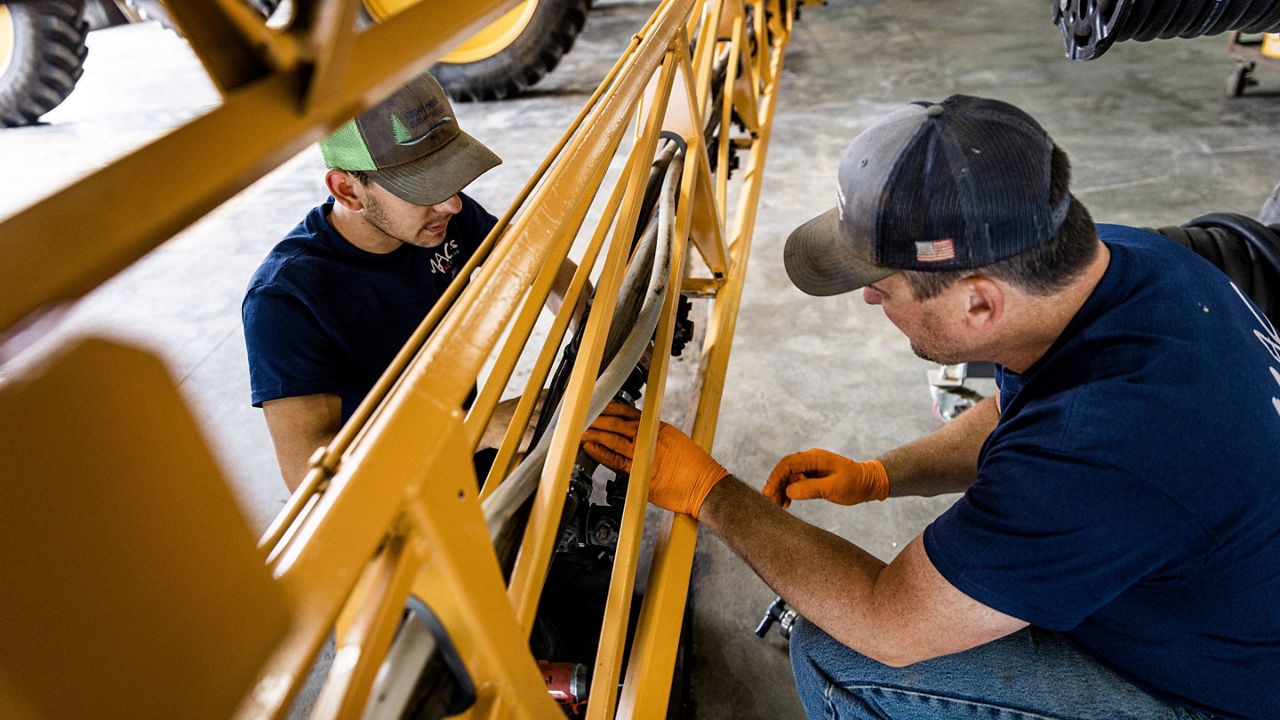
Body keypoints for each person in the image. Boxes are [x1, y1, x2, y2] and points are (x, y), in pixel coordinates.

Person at [582, 95, 1280, 719]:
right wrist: (881, 475)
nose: (868, 300)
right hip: (1219, 595)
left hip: (1229, 693)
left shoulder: (1099, 448)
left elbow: (889, 621)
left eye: (884, 289)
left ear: (979, 301)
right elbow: (1022, 412)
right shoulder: (1128, 262)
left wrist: (712, 494)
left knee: (842, 660)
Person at [244, 72, 578, 490]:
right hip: (385, 495)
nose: (452, 202)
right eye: (422, 187)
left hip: (460, 451)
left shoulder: (439, 220)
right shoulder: (286, 300)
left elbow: (532, 253)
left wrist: (590, 319)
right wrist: (473, 429)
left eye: (449, 177)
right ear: (347, 190)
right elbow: (306, 478)